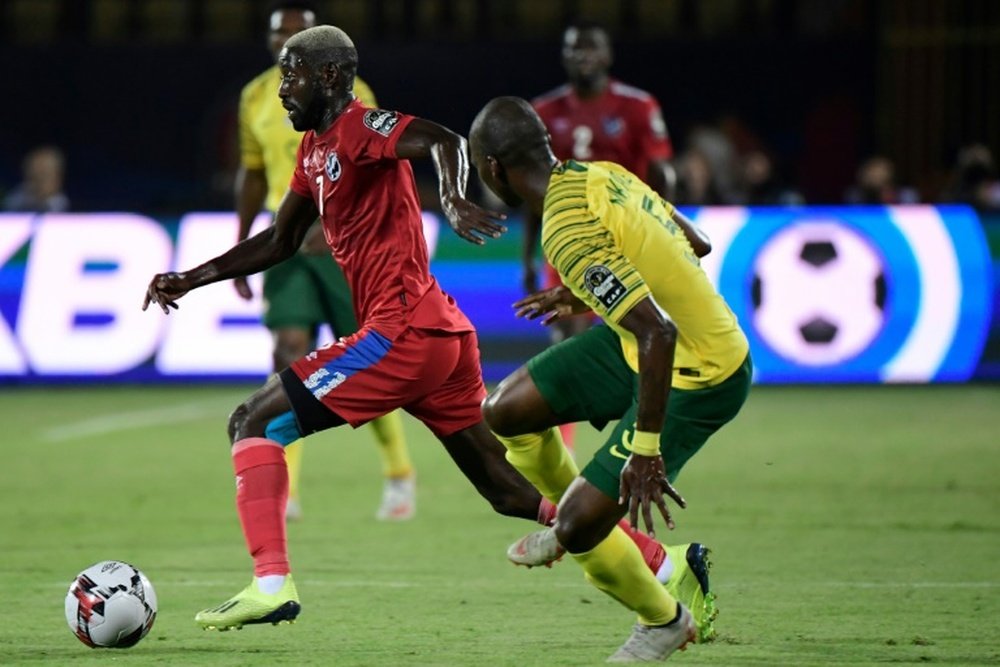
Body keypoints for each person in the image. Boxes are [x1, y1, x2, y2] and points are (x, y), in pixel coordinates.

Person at [143, 25, 555, 632]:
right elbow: (282, 239)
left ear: (330, 76)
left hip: (404, 332)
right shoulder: (314, 153)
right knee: (507, 493)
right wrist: (192, 276)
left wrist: (453, 198)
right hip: (436, 338)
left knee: (252, 420)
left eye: (293, 74)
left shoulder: (361, 127)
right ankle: (659, 561)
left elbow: (443, 139)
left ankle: (270, 583)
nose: (283, 88)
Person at [469, 97, 752, 660]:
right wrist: (584, 292)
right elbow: (696, 242)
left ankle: (663, 620)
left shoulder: (566, 232)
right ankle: (573, 505)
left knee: (580, 532)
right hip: (634, 345)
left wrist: (645, 452)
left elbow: (661, 336)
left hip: (700, 374)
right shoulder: (602, 173)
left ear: (494, 169)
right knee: (504, 410)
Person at [234, 0, 415, 522]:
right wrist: (244, 241)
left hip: (343, 242)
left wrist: (337, 225)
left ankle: (398, 471)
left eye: (298, 31)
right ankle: (284, 484)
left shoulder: (354, 95)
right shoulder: (255, 97)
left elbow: (376, 163)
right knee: (288, 350)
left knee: (365, 359)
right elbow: (252, 173)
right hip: (286, 238)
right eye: (279, 32)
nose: (286, 39)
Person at [523, 21, 677, 453]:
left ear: (608, 57)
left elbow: (662, 173)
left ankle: (639, 442)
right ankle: (567, 450)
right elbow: (535, 193)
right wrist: (528, 258)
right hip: (568, 241)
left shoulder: (637, 107)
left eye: (591, 50)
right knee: (565, 338)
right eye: (574, 49)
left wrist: (665, 232)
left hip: (627, 241)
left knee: (638, 336)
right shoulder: (545, 111)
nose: (582, 57)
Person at [2, 145, 70, 213]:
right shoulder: (13, 202)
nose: (39, 181)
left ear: (57, 176)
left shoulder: (72, 208)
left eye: (44, 174)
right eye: (33, 175)